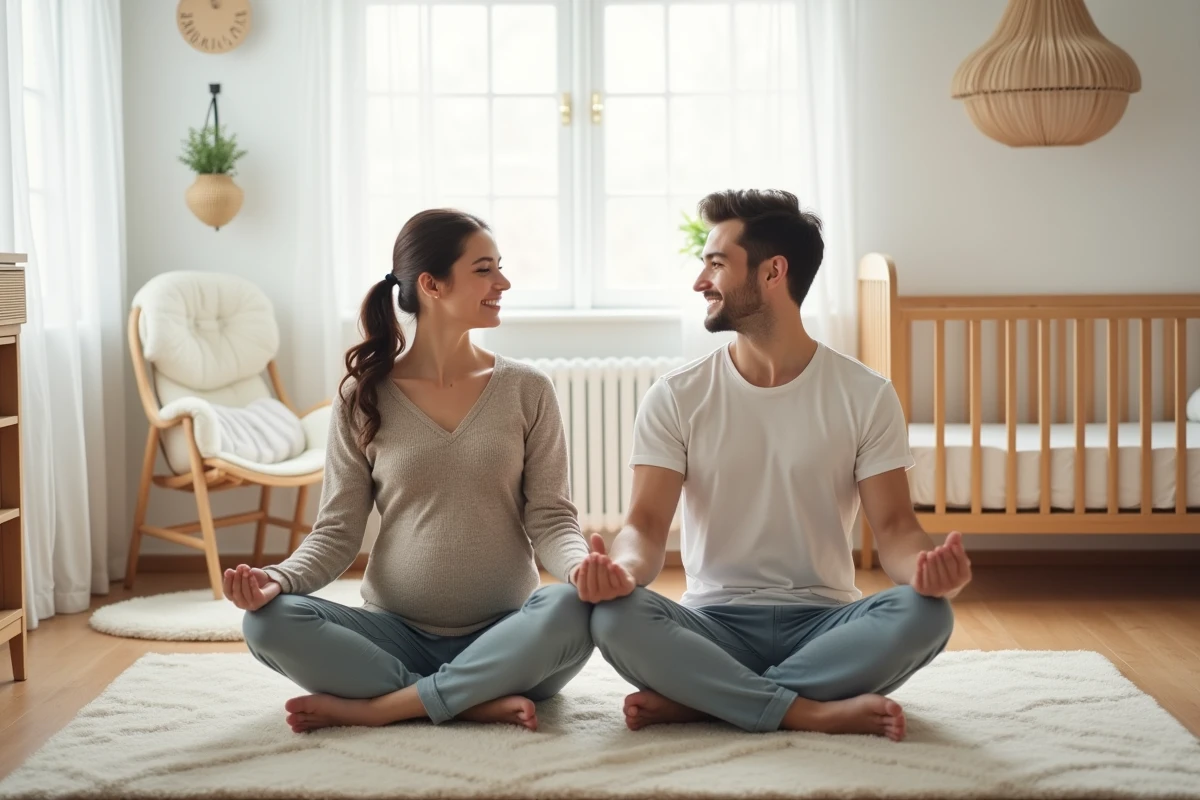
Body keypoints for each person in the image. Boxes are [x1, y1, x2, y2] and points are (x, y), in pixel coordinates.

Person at [575, 189, 971, 741]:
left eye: (716, 264)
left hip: (827, 620)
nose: (699, 282)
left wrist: (928, 572)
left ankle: (709, 698)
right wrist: (624, 572)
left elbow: (898, 530)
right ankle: (805, 709)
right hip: (714, 621)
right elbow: (643, 525)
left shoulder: (866, 394)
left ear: (772, 272)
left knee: (929, 615)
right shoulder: (677, 395)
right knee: (613, 616)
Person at [225, 209, 593, 733]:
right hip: (393, 634)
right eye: (485, 269)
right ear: (431, 284)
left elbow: (553, 519)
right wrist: (277, 579)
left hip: (506, 635)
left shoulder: (526, 389)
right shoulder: (362, 397)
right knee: (268, 623)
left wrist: (582, 572)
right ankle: (470, 698)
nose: (503, 282)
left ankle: (388, 706)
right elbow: (337, 531)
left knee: (570, 607)